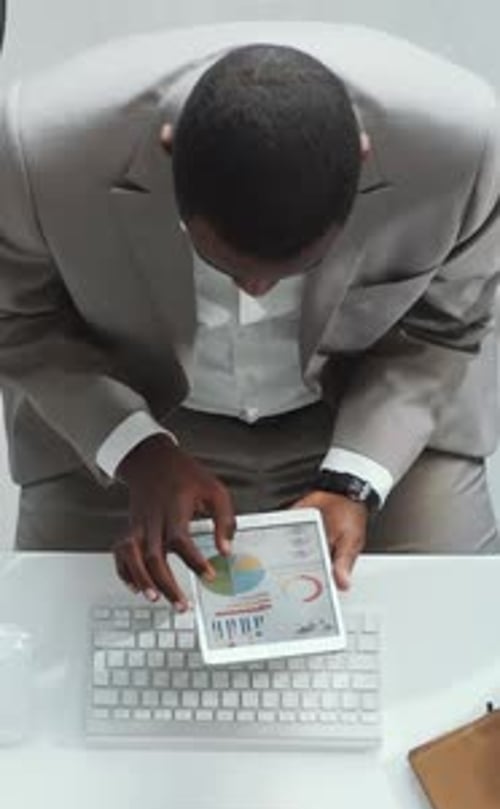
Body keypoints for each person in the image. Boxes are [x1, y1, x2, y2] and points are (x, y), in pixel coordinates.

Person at [0, 21, 499, 611]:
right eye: (225, 264)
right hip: (121, 402)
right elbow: (18, 319)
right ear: (169, 149)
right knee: (56, 641)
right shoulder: (35, 151)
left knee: (459, 633)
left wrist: (355, 479)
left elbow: (445, 327)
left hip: (374, 408)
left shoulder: (465, 147)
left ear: (363, 161)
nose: (257, 291)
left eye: (296, 265)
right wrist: (136, 450)